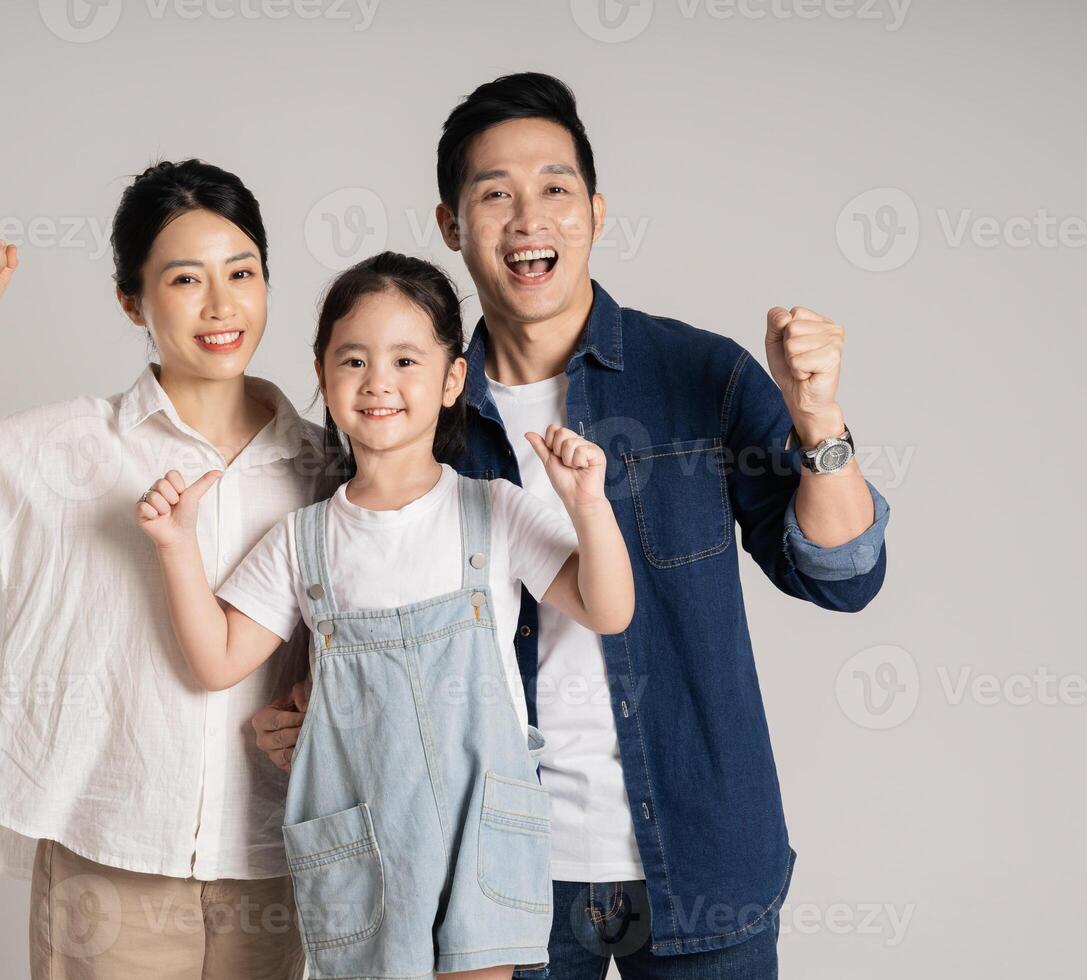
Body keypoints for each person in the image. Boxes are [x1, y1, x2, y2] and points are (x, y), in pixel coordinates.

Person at [253, 73, 893, 979]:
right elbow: (334, 584)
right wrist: (297, 713)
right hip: (499, 876)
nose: (528, 219)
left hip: (702, 853)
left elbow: (841, 576)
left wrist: (820, 420)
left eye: (554, 189)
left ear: (594, 210)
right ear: (450, 225)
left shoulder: (698, 374)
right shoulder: (410, 405)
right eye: (494, 195)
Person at [0, 159, 329, 979]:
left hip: (271, 862)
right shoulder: (68, 448)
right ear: (132, 300)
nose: (222, 305)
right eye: (184, 279)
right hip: (110, 857)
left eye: (243, 273)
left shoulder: (322, 464)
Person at [134, 251, 636, 980]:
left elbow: (608, 607)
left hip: (480, 835)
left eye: (406, 360)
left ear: (452, 378)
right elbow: (216, 660)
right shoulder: (304, 541)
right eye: (354, 361)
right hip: (364, 841)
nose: (379, 384)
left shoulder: (491, 510)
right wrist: (175, 545)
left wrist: (588, 504)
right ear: (322, 373)